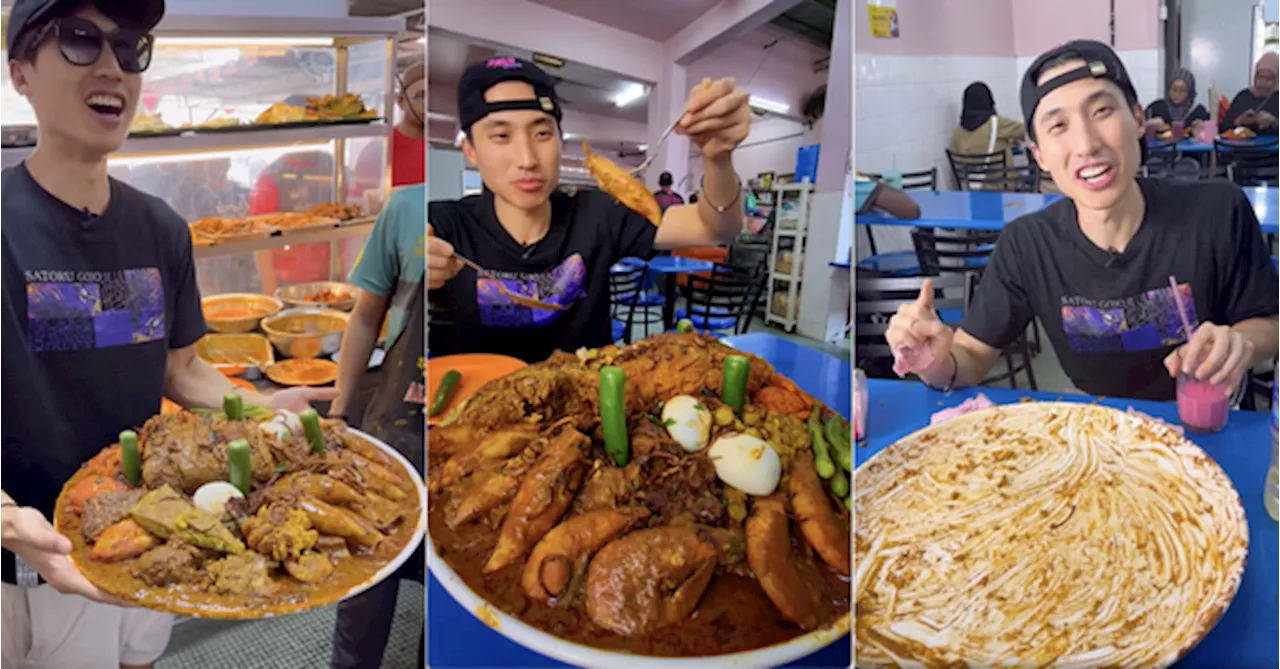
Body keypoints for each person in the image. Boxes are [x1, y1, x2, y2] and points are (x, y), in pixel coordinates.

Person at [0, 2, 334, 668]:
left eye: (131, 49)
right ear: (19, 74)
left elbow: (179, 369)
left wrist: (267, 410)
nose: (111, 67)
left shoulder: (160, 227)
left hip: (156, 521)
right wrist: (9, 521)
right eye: (77, 41)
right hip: (38, 552)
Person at [885, 39, 1280, 402]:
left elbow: (1271, 323)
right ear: (1039, 154)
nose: (1087, 144)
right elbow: (968, 356)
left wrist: (1241, 341)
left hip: (1209, 425)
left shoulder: (1216, 210)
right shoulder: (1028, 245)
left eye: (1102, 111)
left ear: (1139, 119)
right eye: (1058, 126)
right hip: (1096, 438)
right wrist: (934, 361)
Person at [427, 57, 751, 362]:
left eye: (542, 133)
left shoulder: (598, 214)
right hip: (477, 413)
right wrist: (416, 266)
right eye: (501, 136)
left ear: (559, 140)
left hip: (590, 409)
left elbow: (716, 228)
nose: (527, 158)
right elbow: (399, 260)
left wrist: (718, 157)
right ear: (470, 150)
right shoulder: (444, 225)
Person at [328, 185, 425, 669]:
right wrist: (339, 412)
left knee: (449, 592)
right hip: (396, 427)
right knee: (366, 577)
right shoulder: (407, 207)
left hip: (462, 438)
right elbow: (366, 316)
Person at [353, 61, 426, 196]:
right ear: (401, 101)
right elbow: (363, 202)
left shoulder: (445, 149)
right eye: (421, 96)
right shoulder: (379, 149)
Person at [950, 81, 1026, 159]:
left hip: (968, 171)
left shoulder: (957, 132)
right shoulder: (996, 124)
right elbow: (1026, 131)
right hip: (1001, 171)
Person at [1223, 52, 1280, 134]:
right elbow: (1223, 129)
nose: (1263, 82)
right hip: (1244, 146)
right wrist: (1239, 121)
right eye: (1260, 77)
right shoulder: (1243, 97)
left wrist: (1274, 122)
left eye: (1269, 78)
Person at [1145, 67, 1210, 136]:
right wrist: (1149, 125)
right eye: (1174, 90)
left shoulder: (1198, 112)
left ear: (1190, 92)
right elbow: (1139, 126)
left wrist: (1202, 129)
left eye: (1182, 90)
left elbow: (1212, 135)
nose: (1177, 94)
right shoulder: (1157, 108)